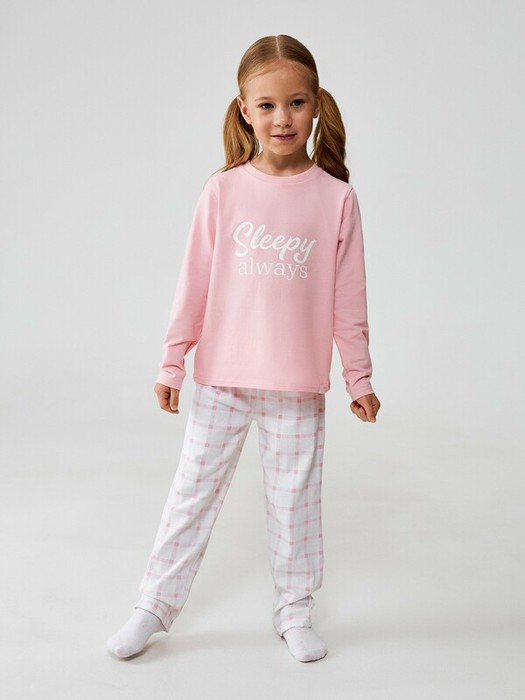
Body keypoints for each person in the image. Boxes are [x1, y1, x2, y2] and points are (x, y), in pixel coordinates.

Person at [107, 33, 381, 664]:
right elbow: (194, 282)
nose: (282, 118)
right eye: (267, 105)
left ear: (316, 104)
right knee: (192, 493)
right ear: (244, 110)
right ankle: (155, 604)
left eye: (296, 103)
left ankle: (294, 609)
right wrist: (173, 359)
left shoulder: (336, 198)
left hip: (296, 383)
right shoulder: (224, 191)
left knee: (295, 502)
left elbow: (349, 298)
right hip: (223, 378)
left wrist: (359, 377)